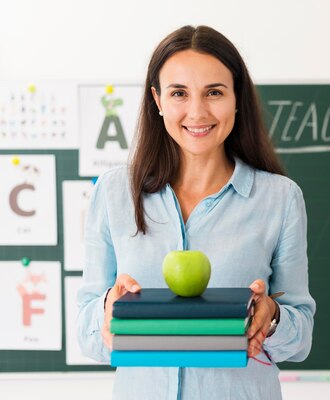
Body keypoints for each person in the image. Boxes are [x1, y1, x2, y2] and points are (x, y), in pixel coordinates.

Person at [77, 25, 315, 400]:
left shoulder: (279, 199)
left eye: (214, 92)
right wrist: (107, 310)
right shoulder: (112, 194)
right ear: (157, 100)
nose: (197, 111)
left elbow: (299, 339)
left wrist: (273, 317)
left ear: (237, 97)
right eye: (178, 93)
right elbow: (86, 335)